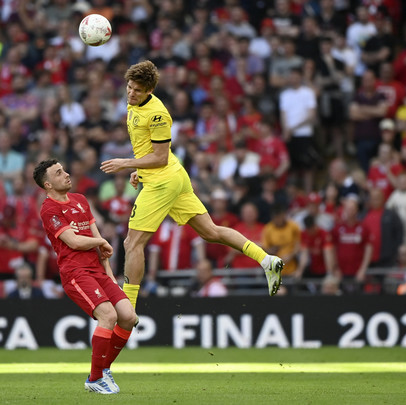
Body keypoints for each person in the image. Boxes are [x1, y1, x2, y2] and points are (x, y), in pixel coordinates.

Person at [100, 60, 283, 309]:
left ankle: (127, 308)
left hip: (163, 182)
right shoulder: (132, 105)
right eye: (129, 87)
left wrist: (127, 164)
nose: (131, 93)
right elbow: (147, 149)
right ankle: (266, 260)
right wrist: (139, 171)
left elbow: (161, 157)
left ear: (150, 91)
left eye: (138, 90)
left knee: (132, 243)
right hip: (169, 176)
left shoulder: (157, 114)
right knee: (210, 232)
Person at [33, 159, 136, 395]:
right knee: (108, 315)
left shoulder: (80, 200)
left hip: (98, 271)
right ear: (48, 184)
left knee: (128, 317)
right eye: (59, 173)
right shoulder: (49, 209)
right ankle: (95, 378)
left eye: (64, 169)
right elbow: (74, 241)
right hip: (75, 273)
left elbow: (100, 245)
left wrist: (109, 275)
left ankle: (103, 368)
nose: (67, 174)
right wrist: (100, 241)